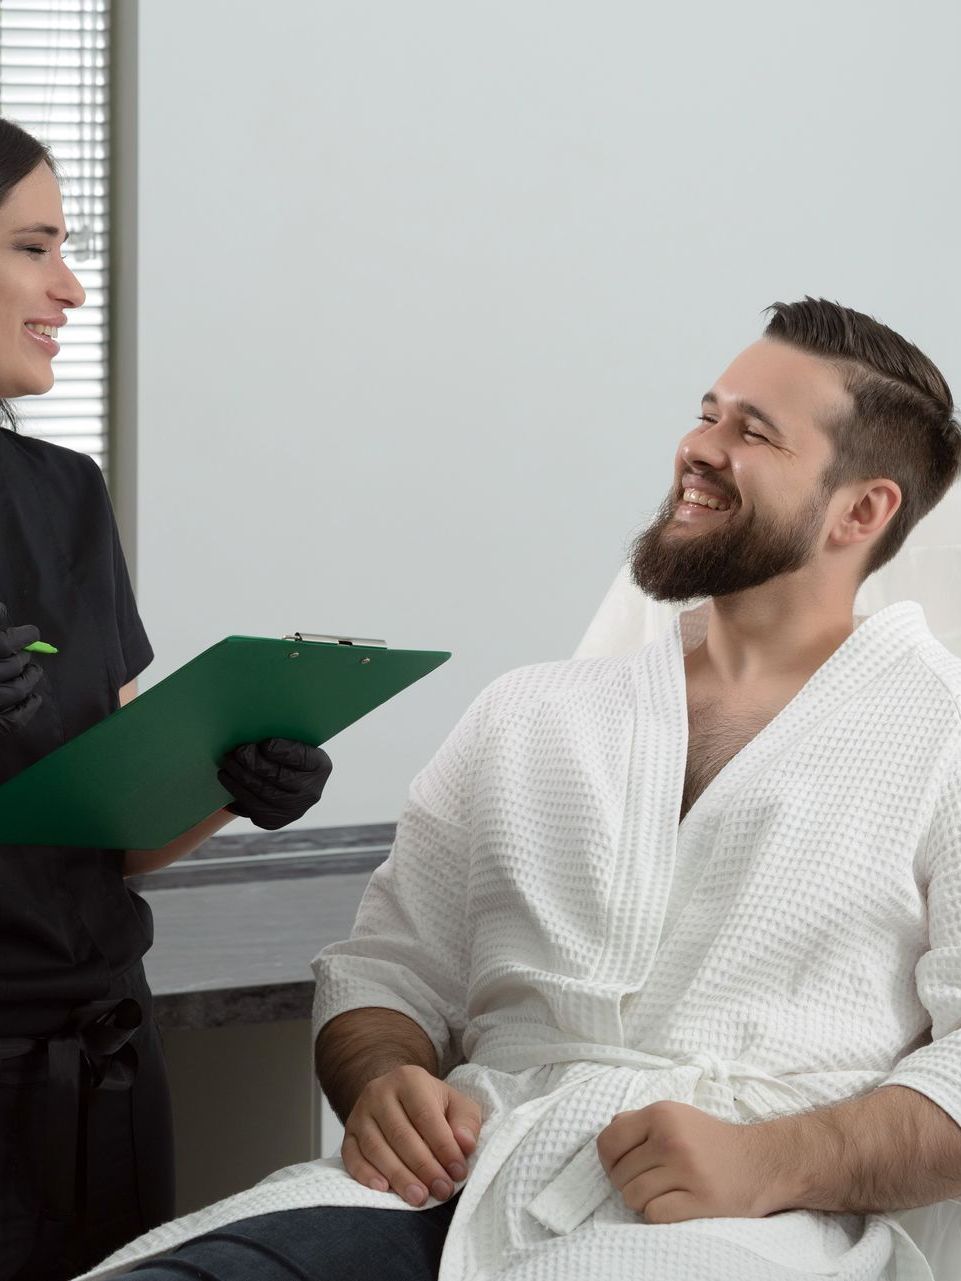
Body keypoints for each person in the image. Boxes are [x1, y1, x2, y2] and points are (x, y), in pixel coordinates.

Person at [79, 298, 961, 1281]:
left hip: (739, 1227)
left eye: (750, 432)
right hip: (451, 1184)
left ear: (861, 510)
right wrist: (386, 1081)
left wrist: (771, 1160)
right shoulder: (530, 713)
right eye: (707, 412)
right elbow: (386, 971)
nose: (697, 448)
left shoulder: (944, 737)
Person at [0, 118, 333, 1281]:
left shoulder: (65, 495)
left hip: (103, 1062)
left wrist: (235, 780)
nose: (70, 288)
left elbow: (121, 838)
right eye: (34, 248)